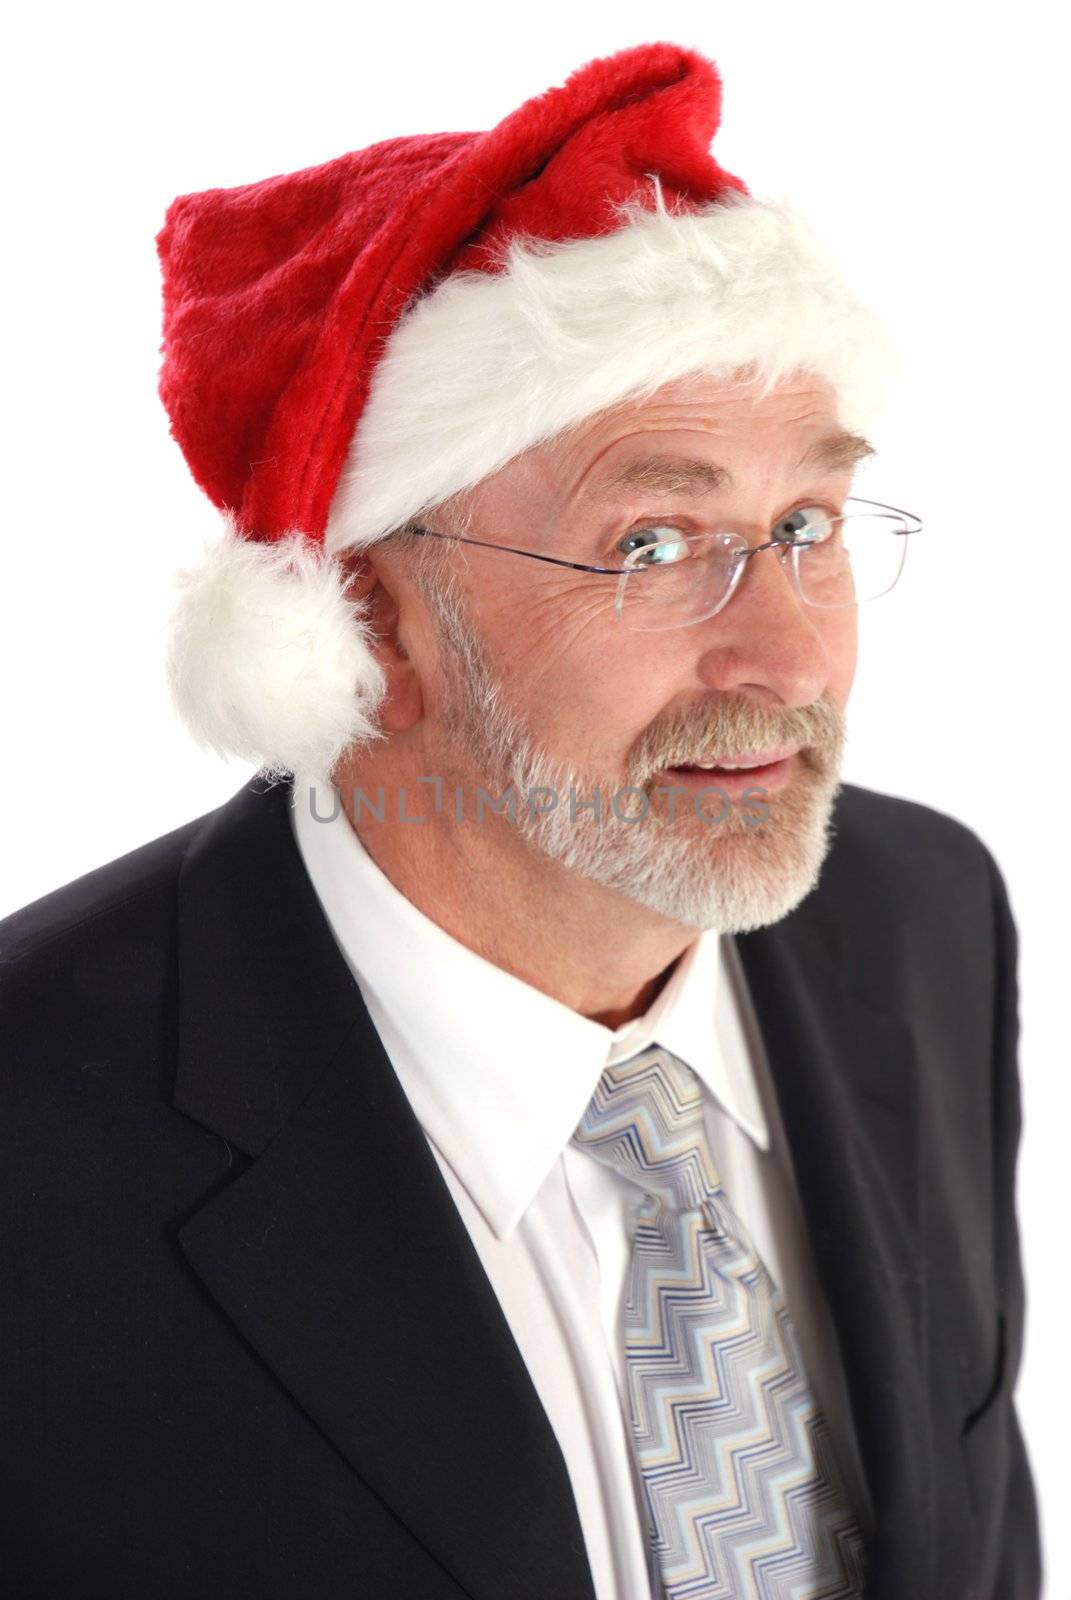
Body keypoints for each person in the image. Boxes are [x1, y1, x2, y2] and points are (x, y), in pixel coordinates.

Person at [0, 39, 1040, 1600]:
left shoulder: (923, 915)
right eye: (652, 542)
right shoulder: (33, 1139)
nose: (791, 656)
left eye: (804, 525)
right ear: (369, 623)